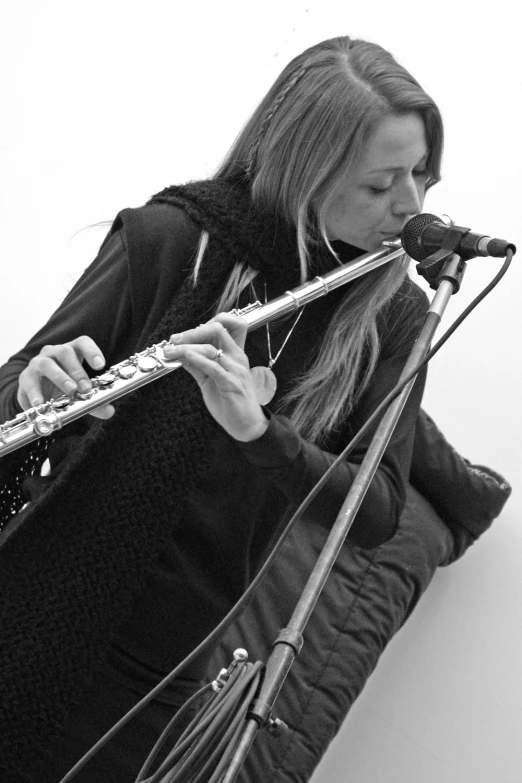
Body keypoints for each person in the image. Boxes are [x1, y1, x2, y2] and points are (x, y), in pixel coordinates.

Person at [0, 35, 443, 782]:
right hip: (32, 596)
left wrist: (259, 433)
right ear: (306, 167)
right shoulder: (175, 236)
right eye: (380, 184)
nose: (411, 205)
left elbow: (376, 512)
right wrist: (33, 385)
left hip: (158, 665)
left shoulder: (392, 318)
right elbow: (15, 388)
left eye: (423, 174)